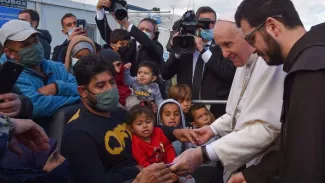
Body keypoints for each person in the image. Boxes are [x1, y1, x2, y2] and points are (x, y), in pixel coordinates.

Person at [169, 15, 286, 180]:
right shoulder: (242, 61)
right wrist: (212, 129)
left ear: (248, 36)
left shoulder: (271, 63)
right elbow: (235, 113)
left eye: (228, 44)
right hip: (244, 157)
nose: (223, 54)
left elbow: (266, 127)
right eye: (220, 46)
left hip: (266, 165)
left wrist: (203, 153)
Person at [61, 54, 198, 183]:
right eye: (100, 85)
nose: (110, 89)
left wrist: (176, 132)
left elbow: (147, 127)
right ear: (83, 92)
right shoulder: (77, 136)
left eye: (112, 82)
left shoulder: (116, 112)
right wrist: (137, 175)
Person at [233, 0, 325, 182]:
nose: (252, 50)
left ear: (272, 26)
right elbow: (295, 144)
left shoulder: (310, 71)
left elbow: (307, 163)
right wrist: (253, 175)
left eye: (251, 39)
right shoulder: (310, 61)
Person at [162, 6, 236, 119]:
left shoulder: (224, 45)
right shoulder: (185, 45)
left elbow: (227, 73)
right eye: (203, 22)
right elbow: (165, 74)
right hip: (187, 110)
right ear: (196, 24)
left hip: (215, 111)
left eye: (212, 22)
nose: (208, 26)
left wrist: (203, 51)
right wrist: (177, 52)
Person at [0, 20, 80, 119]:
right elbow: (37, 106)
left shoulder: (56, 67)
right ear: (10, 53)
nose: (34, 47)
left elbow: (80, 88)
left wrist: (58, 87)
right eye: (25, 45)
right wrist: (76, 97)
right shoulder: (10, 76)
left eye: (35, 41)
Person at [95, 0, 164, 77]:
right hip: (129, 85)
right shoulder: (129, 44)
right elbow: (109, 37)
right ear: (137, 30)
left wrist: (125, 23)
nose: (144, 32)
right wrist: (100, 11)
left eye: (148, 30)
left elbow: (147, 43)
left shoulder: (157, 47)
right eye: (141, 29)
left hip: (148, 88)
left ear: (154, 35)